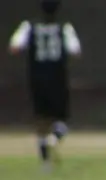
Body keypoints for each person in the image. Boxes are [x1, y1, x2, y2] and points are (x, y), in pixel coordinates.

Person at [8, 0, 81, 171]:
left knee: (41, 121)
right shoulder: (64, 27)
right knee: (62, 119)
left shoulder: (29, 26)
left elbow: (14, 47)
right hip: (58, 78)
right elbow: (76, 51)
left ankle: (45, 163)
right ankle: (53, 139)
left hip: (37, 78)